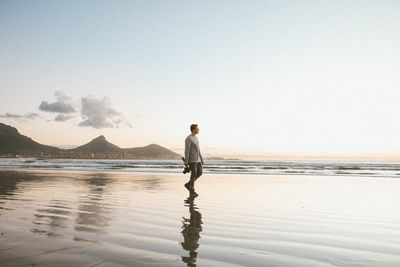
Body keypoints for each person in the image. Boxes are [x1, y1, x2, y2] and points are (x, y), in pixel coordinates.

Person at [184, 124, 204, 192]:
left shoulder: (196, 138)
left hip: (198, 159)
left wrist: (201, 158)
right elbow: (187, 151)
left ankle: (188, 184)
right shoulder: (188, 139)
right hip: (192, 160)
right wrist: (186, 161)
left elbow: (198, 149)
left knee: (200, 172)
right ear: (193, 129)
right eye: (197, 128)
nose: (198, 130)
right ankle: (192, 188)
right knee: (194, 174)